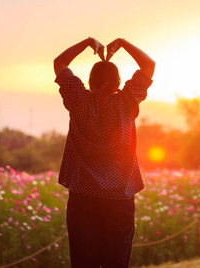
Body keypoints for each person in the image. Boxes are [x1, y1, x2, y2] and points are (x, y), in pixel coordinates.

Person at [53, 37, 155, 268]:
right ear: (119, 82)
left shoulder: (78, 99)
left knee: (84, 262)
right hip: (121, 196)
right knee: (116, 262)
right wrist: (123, 43)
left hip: (82, 196)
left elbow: (60, 63)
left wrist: (88, 43)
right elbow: (148, 66)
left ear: (89, 82)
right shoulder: (128, 101)